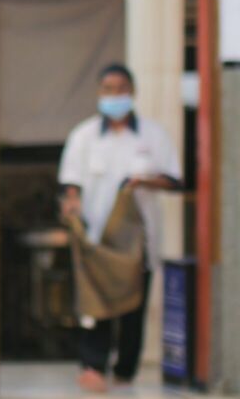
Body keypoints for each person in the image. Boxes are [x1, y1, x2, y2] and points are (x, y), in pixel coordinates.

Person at [59, 63, 182, 393]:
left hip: (137, 243)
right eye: (108, 89)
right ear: (99, 93)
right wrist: (71, 204)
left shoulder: (153, 135)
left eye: (121, 89)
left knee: (133, 307)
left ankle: (126, 370)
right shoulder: (83, 136)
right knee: (95, 305)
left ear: (133, 92)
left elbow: (173, 179)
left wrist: (144, 181)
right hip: (97, 240)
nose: (115, 96)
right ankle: (92, 366)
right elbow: (71, 183)